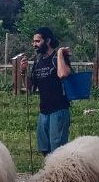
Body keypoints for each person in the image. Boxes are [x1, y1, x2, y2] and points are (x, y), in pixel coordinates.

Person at [20, 27, 73, 155]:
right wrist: (23, 72)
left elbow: (63, 74)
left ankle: (61, 174)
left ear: (48, 40)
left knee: (58, 151)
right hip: (43, 112)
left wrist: (59, 53)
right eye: (33, 42)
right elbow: (30, 88)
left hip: (59, 110)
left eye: (37, 41)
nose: (34, 45)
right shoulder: (38, 62)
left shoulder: (59, 58)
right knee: (45, 150)